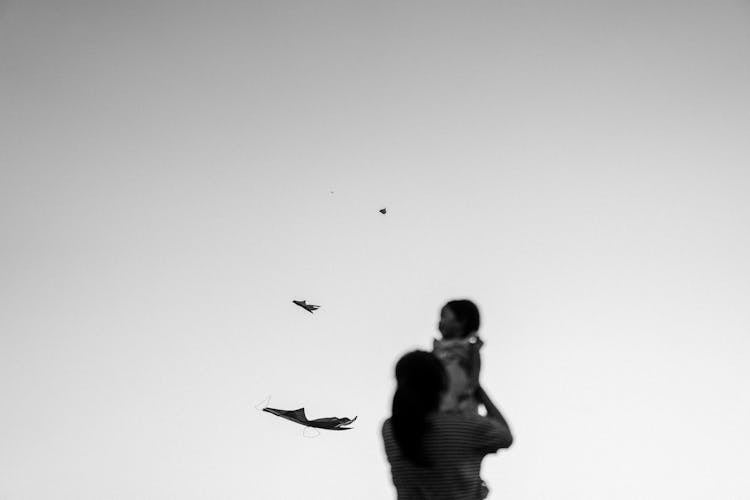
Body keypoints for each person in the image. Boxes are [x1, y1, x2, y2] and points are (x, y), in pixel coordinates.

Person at [381, 351, 513, 499]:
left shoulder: (390, 429)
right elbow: (506, 436)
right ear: (442, 384)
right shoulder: (466, 426)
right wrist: (476, 388)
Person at [432, 299, 484, 416]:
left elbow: (475, 371)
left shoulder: (470, 348)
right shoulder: (438, 348)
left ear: (461, 321)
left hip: (462, 396)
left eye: (444, 317)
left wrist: (471, 389)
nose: (440, 322)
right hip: (441, 394)